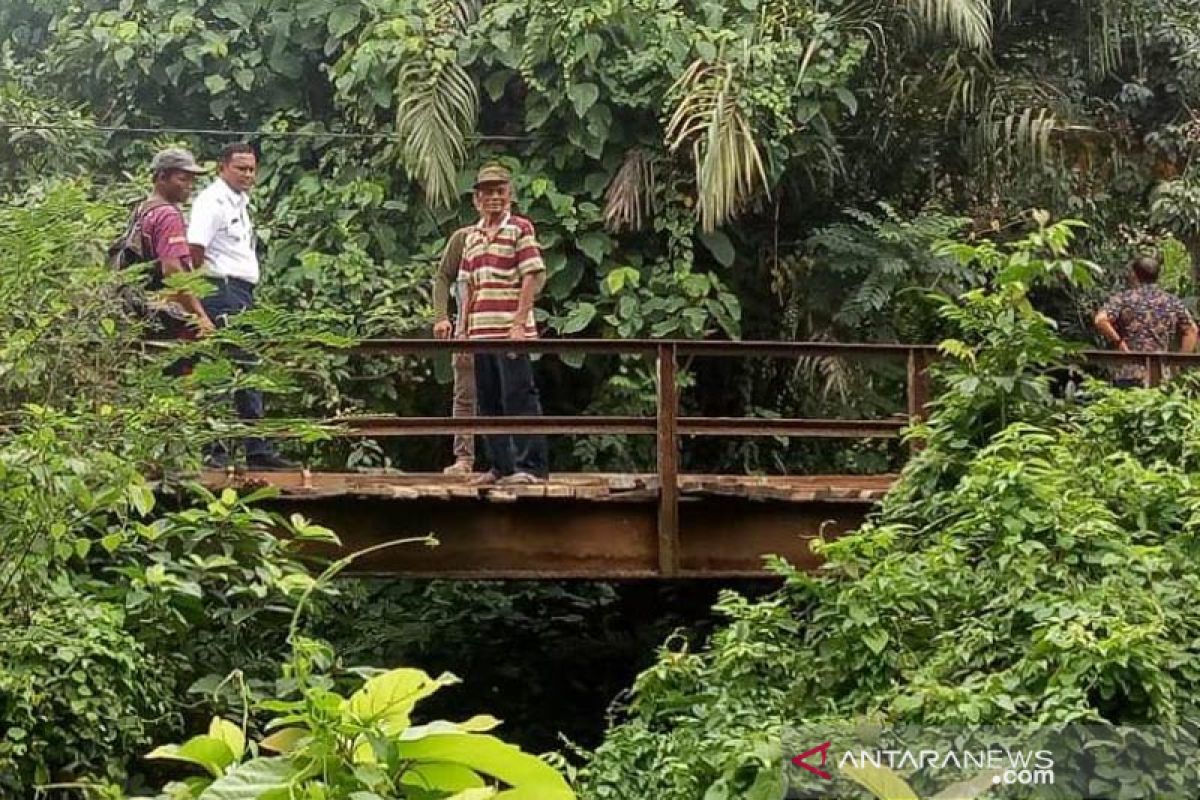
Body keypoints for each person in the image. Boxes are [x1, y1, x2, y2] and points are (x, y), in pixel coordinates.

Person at [187, 142, 294, 470]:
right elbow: (195, 248)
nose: (248, 174)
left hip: (240, 292)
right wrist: (202, 289)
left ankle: (255, 449)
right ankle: (219, 453)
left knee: (246, 368)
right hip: (222, 290)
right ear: (223, 167)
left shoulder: (239, 203)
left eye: (251, 169)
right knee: (226, 369)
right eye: (241, 168)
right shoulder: (212, 201)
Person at [460, 164, 549, 485]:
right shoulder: (471, 236)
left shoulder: (520, 228)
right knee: (489, 400)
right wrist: (463, 331)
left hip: (509, 328)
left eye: (500, 191)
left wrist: (519, 323)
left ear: (509, 194)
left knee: (519, 396)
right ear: (477, 199)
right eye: (488, 192)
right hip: (481, 329)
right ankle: (501, 466)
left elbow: (531, 276)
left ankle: (532, 467)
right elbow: (468, 284)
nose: (494, 198)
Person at [139, 148, 214, 359]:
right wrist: (199, 316)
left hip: (141, 309)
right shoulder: (168, 215)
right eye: (183, 179)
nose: (189, 187)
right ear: (162, 177)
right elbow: (172, 270)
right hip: (166, 314)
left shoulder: (142, 210)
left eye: (192, 181)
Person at [1094, 254, 1198, 387]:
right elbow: (1191, 330)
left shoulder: (1124, 299)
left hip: (1129, 371)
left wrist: (1120, 344)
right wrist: (1179, 362)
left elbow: (1100, 320)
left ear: (1134, 275)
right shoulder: (1172, 302)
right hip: (1162, 374)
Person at [433, 224, 477, 475]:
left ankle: (507, 461)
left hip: (500, 327)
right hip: (466, 329)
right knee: (464, 395)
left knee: (507, 395)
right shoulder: (463, 238)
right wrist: (441, 316)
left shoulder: (517, 233)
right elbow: (442, 276)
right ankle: (464, 458)